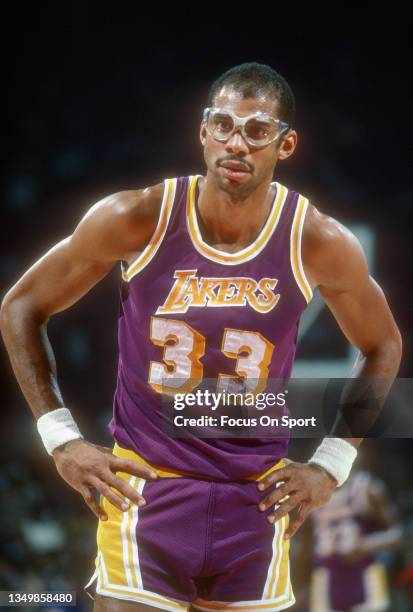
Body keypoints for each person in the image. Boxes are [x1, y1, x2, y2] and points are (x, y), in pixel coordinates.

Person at [0, 63, 402, 612]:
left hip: (257, 499)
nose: (237, 143)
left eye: (257, 130)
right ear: (202, 131)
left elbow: (384, 346)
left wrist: (332, 463)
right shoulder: (138, 215)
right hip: (148, 486)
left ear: (285, 145)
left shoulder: (317, 240)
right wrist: (62, 440)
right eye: (223, 125)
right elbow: (21, 305)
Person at [306, 469, 402, 611]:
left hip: (364, 572)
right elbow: (303, 545)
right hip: (326, 575)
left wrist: (365, 546)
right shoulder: (310, 490)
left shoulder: (368, 488)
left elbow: (397, 534)